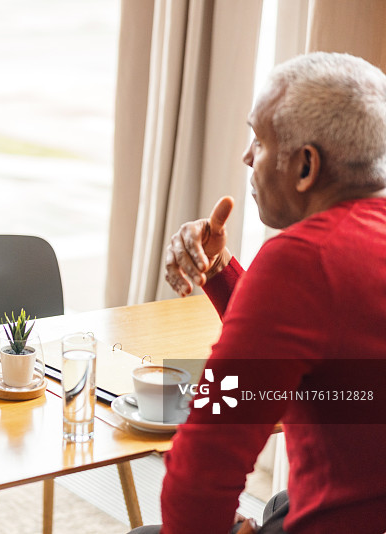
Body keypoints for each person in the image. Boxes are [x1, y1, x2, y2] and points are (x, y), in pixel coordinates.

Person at [131, 52, 386, 534]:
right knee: (279, 507)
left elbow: (198, 477)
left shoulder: (303, 260)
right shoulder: (333, 260)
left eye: (260, 140)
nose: (248, 156)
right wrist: (221, 272)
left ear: (306, 165)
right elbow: (321, 337)